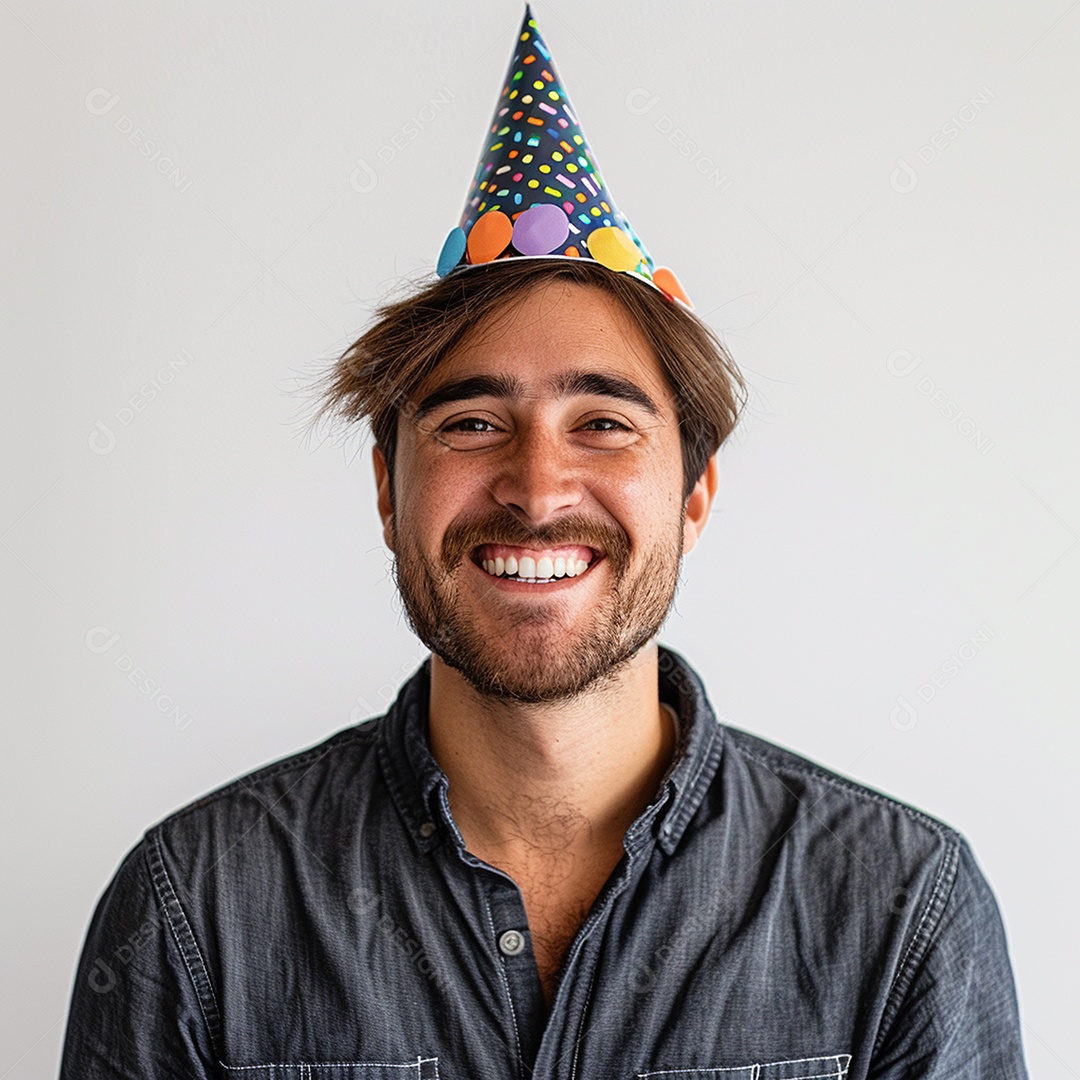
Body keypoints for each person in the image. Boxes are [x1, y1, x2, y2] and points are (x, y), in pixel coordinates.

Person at [60, 7, 1028, 1078]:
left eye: (602, 423)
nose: (535, 490)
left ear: (694, 495)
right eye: (472, 424)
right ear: (387, 489)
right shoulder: (193, 910)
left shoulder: (904, 912)